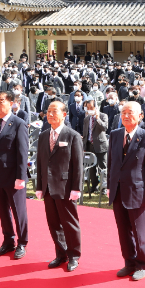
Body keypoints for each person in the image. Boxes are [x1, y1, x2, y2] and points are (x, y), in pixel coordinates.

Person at [106, 101, 145, 281]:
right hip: (118, 190)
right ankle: (129, 262)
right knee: (123, 229)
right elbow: (111, 163)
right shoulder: (115, 134)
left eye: (130, 113)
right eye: (123, 113)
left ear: (140, 115)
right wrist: (109, 185)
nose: (126, 116)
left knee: (139, 230)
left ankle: (142, 264)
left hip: (138, 191)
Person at [35, 100, 84, 272]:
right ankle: (61, 253)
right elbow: (40, 162)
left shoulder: (72, 135)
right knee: (54, 223)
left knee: (69, 223)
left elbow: (78, 165)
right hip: (48, 187)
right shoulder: (43, 136)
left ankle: (74, 255)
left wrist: (76, 188)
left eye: (54, 111)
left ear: (64, 114)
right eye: (48, 111)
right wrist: (39, 186)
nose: (50, 114)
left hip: (65, 187)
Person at [0, 91, 30, 259]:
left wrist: (21, 177)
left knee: (18, 211)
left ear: (11, 103)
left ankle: (22, 243)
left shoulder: (19, 123)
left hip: (13, 175)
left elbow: (23, 153)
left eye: (1, 101)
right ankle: (8, 240)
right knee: (2, 211)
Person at [83, 97, 109, 195]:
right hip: (89, 145)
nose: (89, 109)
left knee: (103, 166)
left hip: (100, 144)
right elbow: (85, 133)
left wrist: (97, 118)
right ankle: (94, 186)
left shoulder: (103, 116)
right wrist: (84, 146)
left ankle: (104, 187)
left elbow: (104, 127)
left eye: (91, 107)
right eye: (87, 107)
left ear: (96, 107)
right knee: (91, 167)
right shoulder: (86, 119)